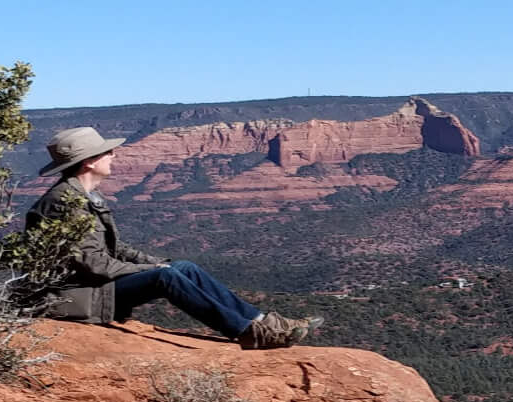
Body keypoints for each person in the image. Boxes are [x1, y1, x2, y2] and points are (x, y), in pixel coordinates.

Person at [22, 126, 314, 349]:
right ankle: (248, 333)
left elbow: (115, 248)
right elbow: (94, 265)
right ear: (87, 162)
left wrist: (159, 262)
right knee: (166, 278)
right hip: (75, 294)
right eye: (106, 152)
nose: (113, 155)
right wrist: (154, 270)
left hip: (94, 284)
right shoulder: (64, 202)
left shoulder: (84, 195)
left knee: (183, 267)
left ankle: (264, 321)